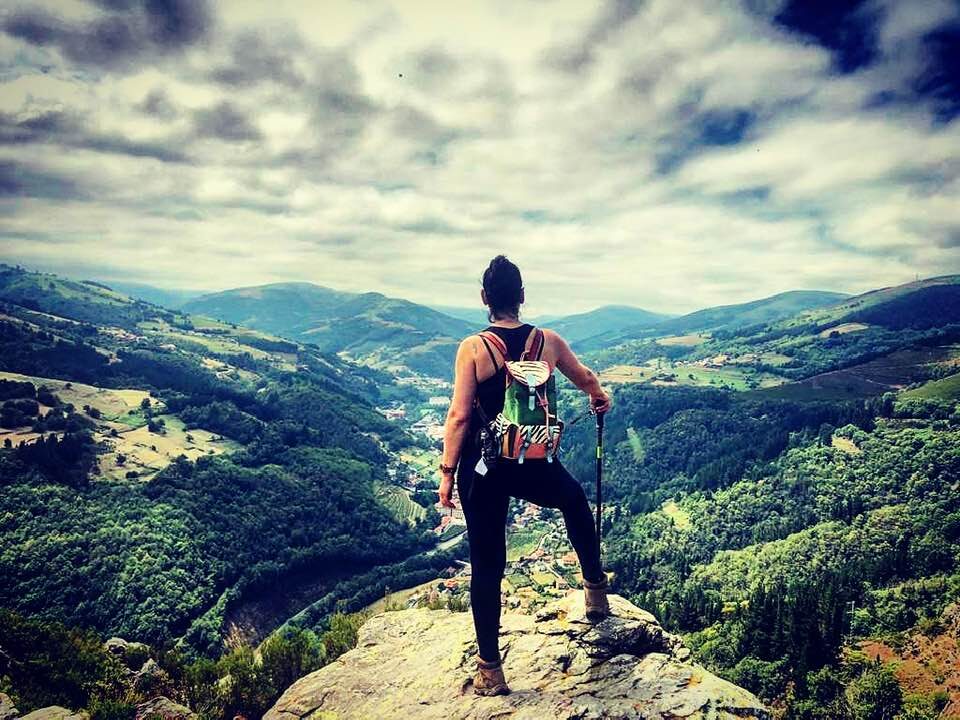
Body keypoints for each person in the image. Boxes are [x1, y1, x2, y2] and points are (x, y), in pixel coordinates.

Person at [438, 255, 612, 696]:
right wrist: (598, 396)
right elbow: (584, 377)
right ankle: (595, 590)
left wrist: (446, 474)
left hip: (485, 468)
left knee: (487, 565)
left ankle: (491, 671)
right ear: (521, 297)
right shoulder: (547, 342)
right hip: (533, 459)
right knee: (574, 501)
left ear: (484, 298)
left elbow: (460, 417)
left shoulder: (474, 348)